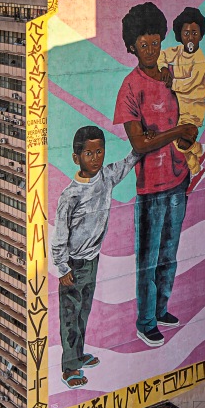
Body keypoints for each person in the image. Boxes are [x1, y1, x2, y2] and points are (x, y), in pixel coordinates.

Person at [114, 2, 197, 347]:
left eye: (155, 43)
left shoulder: (167, 76)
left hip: (177, 181)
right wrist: (178, 132)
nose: (150, 50)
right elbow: (140, 143)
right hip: (149, 189)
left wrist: (184, 140)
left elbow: (174, 123)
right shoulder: (130, 88)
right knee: (146, 262)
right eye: (144, 45)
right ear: (132, 46)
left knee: (170, 254)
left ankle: (162, 309)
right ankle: (145, 322)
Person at [48, 125, 138, 388]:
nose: (96, 158)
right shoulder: (70, 195)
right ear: (76, 157)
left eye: (100, 151)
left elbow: (128, 162)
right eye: (89, 153)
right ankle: (70, 368)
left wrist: (140, 148)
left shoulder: (107, 177)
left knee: (83, 312)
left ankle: (79, 354)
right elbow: (60, 236)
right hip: (73, 265)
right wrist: (62, 268)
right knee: (70, 316)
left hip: (92, 260)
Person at [158, 7, 205, 195]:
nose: (190, 37)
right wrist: (164, 68)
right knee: (177, 140)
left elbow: (190, 83)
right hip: (179, 106)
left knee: (180, 142)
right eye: (186, 33)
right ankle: (200, 152)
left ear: (200, 35)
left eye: (194, 33)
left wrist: (172, 84)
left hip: (194, 107)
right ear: (180, 34)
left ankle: (197, 169)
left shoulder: (199, 58)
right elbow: (162, 56)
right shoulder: (178, 51)